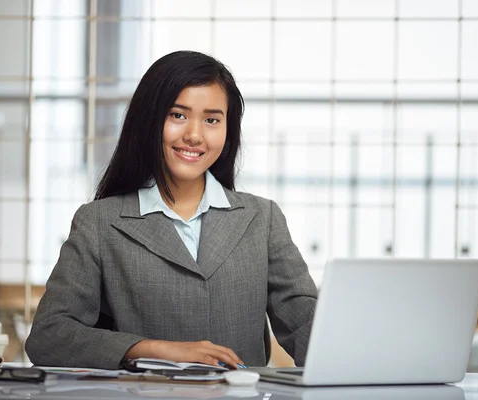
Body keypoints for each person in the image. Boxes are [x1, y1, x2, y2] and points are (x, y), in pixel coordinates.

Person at [25, 50, 318, 370]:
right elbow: (49, 336)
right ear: (150, 119)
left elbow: (307, 326)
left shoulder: (262, 219)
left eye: (211, 120)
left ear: (227, 130)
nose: (194, 135)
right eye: (178, 115)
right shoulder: (99, 222)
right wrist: (151, 349)